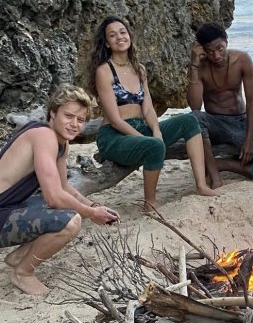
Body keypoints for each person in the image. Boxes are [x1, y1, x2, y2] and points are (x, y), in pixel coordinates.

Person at [0, 85, 120, 296]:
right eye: (68, 116)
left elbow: (64, 187)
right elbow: (54, 196)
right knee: (70, 220)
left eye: (81, 120)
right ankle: (23, 273)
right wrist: (91, 214)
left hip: (5, 209)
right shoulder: (44, 136)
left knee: (73, 208)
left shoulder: (61, 143)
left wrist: (93, 206)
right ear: (53, 113)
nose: (74, 124)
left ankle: (20, 256)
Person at [86, 16, 218, 212]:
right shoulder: (104, 71)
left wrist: (156, 130)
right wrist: (146, 140)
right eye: (112, 35)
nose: (119, 37)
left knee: (189, 120)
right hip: (114, 136)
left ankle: (201, 185)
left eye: (123, 32)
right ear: (106, 42)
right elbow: (114, 119)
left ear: (129, 36)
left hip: (143, 127)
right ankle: (150, 202)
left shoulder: (139, 69)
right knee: (154, 145)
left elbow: (147, 108)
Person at [187, 23, 253, 187]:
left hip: (240, 122)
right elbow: (195, 106)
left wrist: (250, 139)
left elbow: (251, 101)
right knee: (194, 118)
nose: (216, 55)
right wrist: (194, 64)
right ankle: (215, 177)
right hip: (215, 124)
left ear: (226, 42)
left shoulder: (242, 59)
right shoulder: (199, 68)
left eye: (220, 48)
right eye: (209, 51)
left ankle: (221, 164)